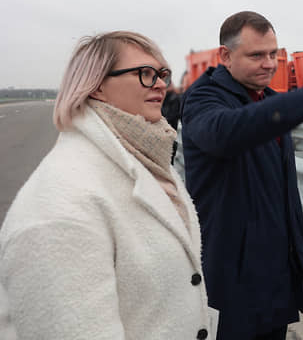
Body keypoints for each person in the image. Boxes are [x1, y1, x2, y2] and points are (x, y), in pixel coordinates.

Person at [0, 31, 214, 339]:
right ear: (97, 85)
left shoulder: (146, 157)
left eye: (162, 74)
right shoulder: (61, 204)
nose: (161, 84)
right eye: (145, 74)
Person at [182, 11, 303, 340]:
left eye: (273, 54)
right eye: (256, 55)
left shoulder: (271, 101)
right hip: (230, 283)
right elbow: (227, 133)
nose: (269, 64)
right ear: (225, 56)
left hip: (274, 279)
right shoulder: (203, 98)